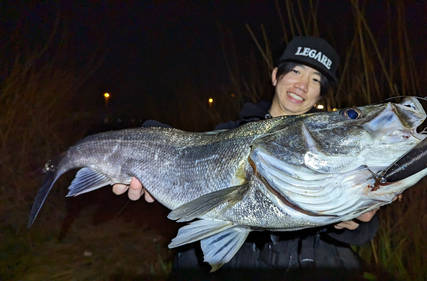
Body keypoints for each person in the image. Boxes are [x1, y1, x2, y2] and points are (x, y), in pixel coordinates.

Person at [112, 36, 379, 273]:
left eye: (316, 80)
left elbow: (362, 225)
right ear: (276, 76)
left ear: (321, 93)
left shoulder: (333, 146)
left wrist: (352, 221)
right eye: (295, 71)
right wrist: (152, 177)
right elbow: (187, 183)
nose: (302, 85)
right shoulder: (228, 133)